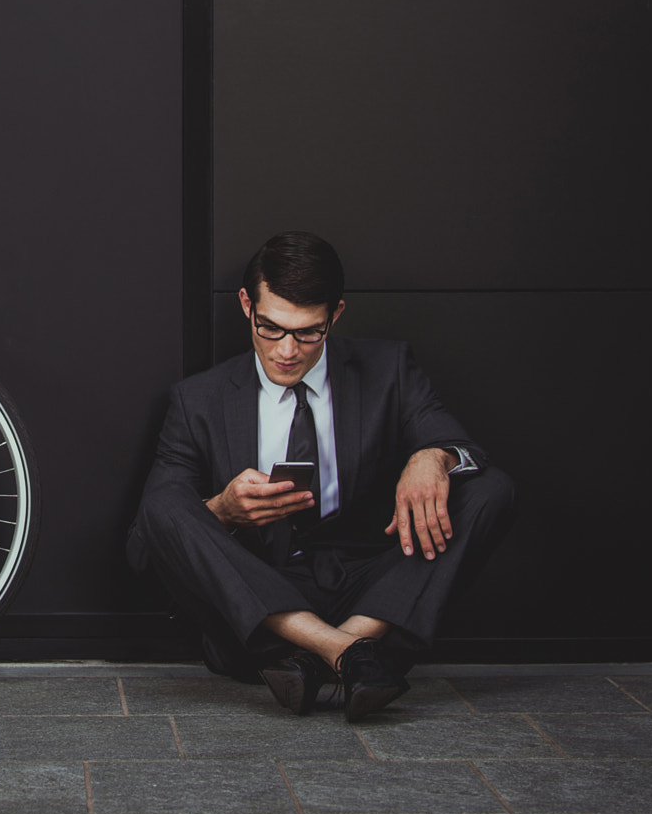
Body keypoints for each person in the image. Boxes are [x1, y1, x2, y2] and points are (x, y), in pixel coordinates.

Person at [126, 231, 515, 720]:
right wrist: (223, 511)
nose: (288, 350)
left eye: (309, 332)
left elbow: (466, 450)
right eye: (271, 328)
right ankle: (349, 656)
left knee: (490, 488)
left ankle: (326, 652)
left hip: (370, 591)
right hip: (260, 599)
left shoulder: (387, 369)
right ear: (246, 305)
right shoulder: (198, 400)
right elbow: (144, 547)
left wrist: (433, 456)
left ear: (336, 314)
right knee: (165, 504)